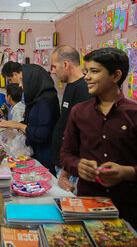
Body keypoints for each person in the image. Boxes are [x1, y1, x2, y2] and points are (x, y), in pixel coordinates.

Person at [60, 47, 137, 239]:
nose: (87, 77)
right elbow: (66, 155)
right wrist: (78, 166)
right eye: (87, 71)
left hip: (129, 213)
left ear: (116, 75)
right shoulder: (79, 112)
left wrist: (127, 172)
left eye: (94, 71)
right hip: (87, 208)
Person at [0, 64, 60, 174]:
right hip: (36, 153)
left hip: (45, 157)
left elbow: (42, 134)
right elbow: (30, 125)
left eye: (23, 81)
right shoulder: (35, 99)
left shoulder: (46, 101)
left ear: (33, 80)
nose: (21, 85)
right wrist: (12, 125)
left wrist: (18, 125)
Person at [51, 46, 93, 192]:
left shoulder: (85, 90)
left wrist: (67, 171)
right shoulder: (70, 86)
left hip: (70, 170)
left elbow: (81, 134)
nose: (53, 71)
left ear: (66, 65)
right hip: (63, 164)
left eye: (55, 66)